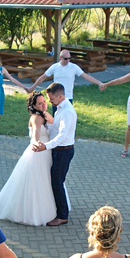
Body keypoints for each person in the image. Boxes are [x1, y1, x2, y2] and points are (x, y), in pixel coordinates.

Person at [0, 92, 62, 226]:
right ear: (33, 106)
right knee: (38, 181)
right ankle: (34, 212)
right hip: (39, 152)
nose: (44, 105)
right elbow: (36, 134)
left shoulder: (45, 115)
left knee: (47, 180)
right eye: (40, 103)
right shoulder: (37, 118)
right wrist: (36, 142)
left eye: (44, 102)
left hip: (46, 151)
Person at [32, 83, 76, 226]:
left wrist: (46, 146)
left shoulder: (67, 111)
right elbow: (56, 128)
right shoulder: (60, 109)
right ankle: (59, 210)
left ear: (60, 96)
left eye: (51, 98)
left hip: (63, 151)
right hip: (58, 150)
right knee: (55, 181)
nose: (49, 101)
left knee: (57, 182)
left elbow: (62, 136)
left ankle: (62, 216)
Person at [27, 50, 103, 109]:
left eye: (69, 58)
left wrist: (99, 83)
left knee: (67, 120)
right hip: (55, 98)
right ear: (60, 58)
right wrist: (32, 87)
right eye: (66, 58)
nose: (68, 60)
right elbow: (43, 77)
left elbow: (86, 76)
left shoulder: (73, 67)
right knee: (56, 120)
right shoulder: (54, 67)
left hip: (68, 98)